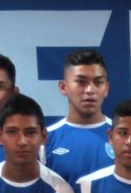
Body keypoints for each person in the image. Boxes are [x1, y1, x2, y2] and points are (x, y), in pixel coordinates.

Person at [45, 49, 113, 185]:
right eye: (81, 82)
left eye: (98, 82)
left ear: (106, 88)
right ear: (63, 87)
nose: (90, 90)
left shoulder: (123, 136)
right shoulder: (45, 139)